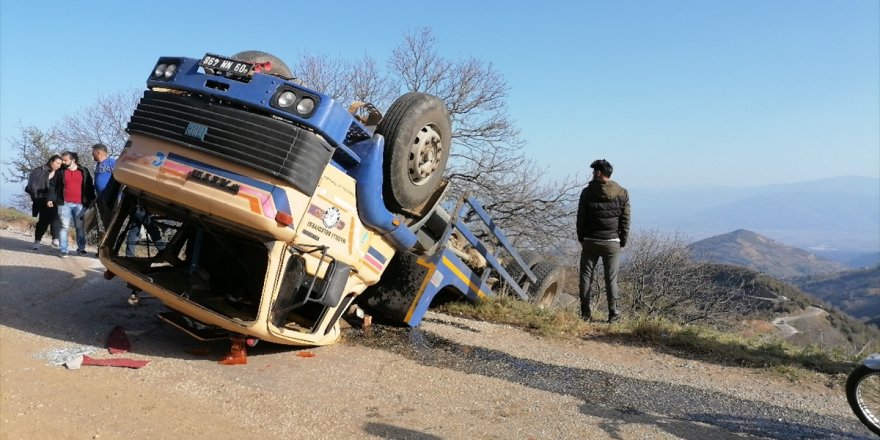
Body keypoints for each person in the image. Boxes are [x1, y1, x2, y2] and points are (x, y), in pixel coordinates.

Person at [576, 159, 631, 323]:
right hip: (612, 242)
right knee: (611, 279)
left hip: (590, 241)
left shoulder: (587, 192)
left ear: (599, 173)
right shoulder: (622, 193)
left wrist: (582, 238)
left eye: (594, 172)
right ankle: (613, 315)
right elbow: (626, 220)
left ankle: (585, 314)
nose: (592, 174)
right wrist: (622, 241)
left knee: (586, 277)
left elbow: (581, 219)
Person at [49, 151, 96, 258]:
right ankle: (64, 250)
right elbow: (53, 185)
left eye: (65, 160)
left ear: (73, 160)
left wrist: (92, 201)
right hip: (63, 204)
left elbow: (89, 187)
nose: (63, 162)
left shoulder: (84, 171)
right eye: (62, 160)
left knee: (80, 227)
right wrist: (50, 198)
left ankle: (81, 249)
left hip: (80, 205)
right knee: (64, 227)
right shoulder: (61, 171)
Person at [25, 155, 63, 250]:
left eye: (60, 164)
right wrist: (47, 177)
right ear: (51, 161)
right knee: (43, 221)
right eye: (57, 163)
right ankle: (38, 241)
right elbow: (34, 184)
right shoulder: (40, 170)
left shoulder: (58, 172)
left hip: (54, 200)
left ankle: (55, 240)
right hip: (42, 200)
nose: (58, 165)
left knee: (55, 218)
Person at [91, 143, 116, 230]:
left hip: (110, 198)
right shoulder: (98, 164)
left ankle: (110, 241)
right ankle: (106, 241)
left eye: (93, 152)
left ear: (98, 152)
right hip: (100, 198)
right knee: (105, 221)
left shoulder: (112, 162)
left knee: (110, 221)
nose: (91, 154)